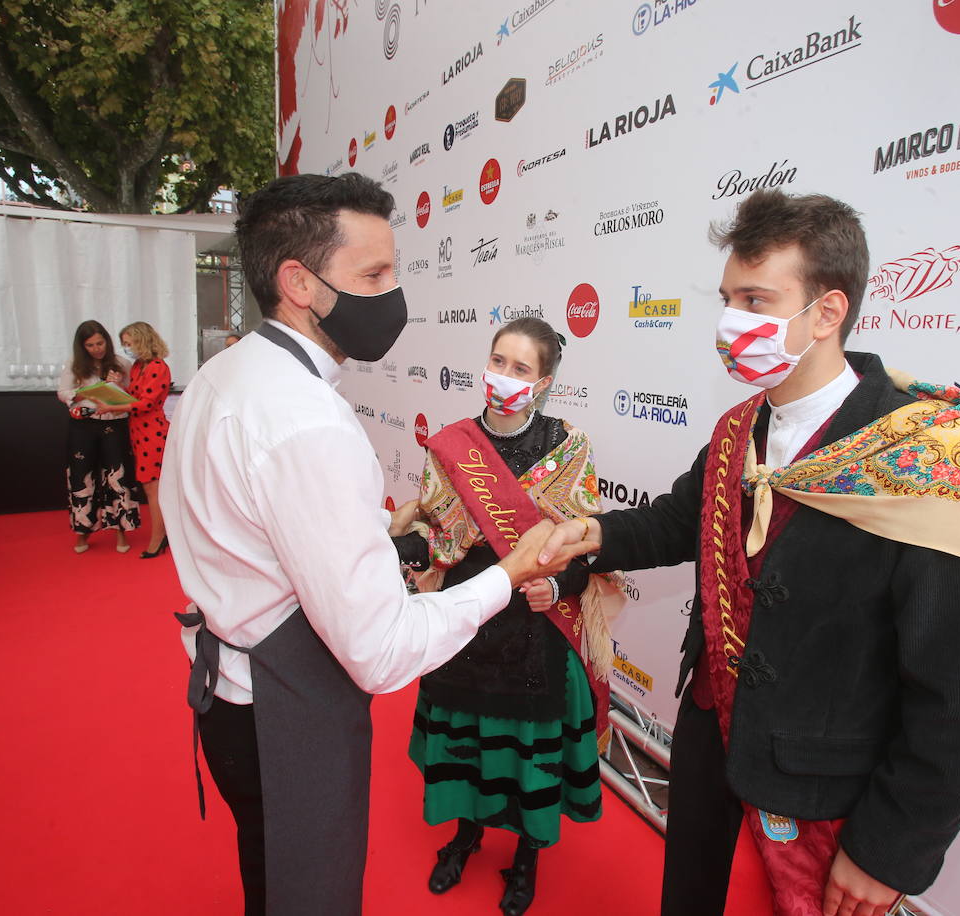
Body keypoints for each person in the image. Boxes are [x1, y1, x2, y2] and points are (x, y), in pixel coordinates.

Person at [533, 189, 960, 916]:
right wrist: (593, 534)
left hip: (823, 793)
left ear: (827, 312)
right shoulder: (738, 428)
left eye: (756, 299)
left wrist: (889, 848)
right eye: (728, 299)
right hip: (710, 744)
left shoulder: (932, 458)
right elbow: (681, 520)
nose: (731, 323)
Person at [159, 172, 592, 916]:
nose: (393, 296)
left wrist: (373, 541)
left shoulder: (219, 376)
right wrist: (508, 572)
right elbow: (382, 650)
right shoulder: (309, 423)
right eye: (373, 275)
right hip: (283, 715)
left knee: (269, 876)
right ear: (299, 281)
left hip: (227, 696)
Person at [392, 317, 622, 916]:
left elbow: (585, 552)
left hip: (533, 631)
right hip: (466, 618)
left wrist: (557, 581)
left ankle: (526, 857)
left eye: (520, 369)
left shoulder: (569, 448)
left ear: (544, 381)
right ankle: (465, 835)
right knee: (464, 742)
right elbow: (434, 532)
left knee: (526, 751)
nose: (504, 377)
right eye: (498, 362)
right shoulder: (453, 445)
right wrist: (406, 543)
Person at [57, 319, 139, 554]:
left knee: (118, 476)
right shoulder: (74, 364)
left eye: (100, 343)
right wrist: (83, 393)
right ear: (82, 347)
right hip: (83, 425)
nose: (97, 348)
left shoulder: (122, 363)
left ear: (107, 340)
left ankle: (121, 531)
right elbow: (62, 393)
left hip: (115, 424)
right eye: (91, 345)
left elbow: (133, 396)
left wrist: (117, 387)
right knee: (81, 477)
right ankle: (82, 532)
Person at [116, 321, 173, 558]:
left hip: (153, 432)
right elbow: (134, 396)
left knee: (153, 489)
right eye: (124, 344)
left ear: (142, 340)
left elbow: (146, 403)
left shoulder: (158, 366)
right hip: (138, 431)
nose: (127, 348)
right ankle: (163, 534)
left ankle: (159, 537)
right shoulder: (138, 366)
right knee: (150, 487)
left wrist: (114, 404)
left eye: (129, 343)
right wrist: (115, 388)